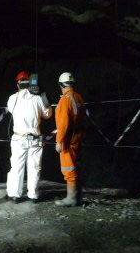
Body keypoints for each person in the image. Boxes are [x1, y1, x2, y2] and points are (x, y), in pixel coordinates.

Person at [6, 71, 53, 203]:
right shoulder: (38, 99)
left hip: (18, 138)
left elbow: (10, 109)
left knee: (16, 167)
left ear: (18, 84)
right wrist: (43, 95)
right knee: (34, 167)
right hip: (35, 139)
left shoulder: (12, 99)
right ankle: (33, 195)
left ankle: (15, 194)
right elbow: (48, 114)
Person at [54, 72, 85, 207]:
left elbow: (63, 124)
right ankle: (77, 196)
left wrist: (59, 141)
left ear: (61, 85)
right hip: (77, 136)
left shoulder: (65, 100)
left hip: (68, 139)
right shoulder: (78, 97)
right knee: (75, 165)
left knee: (69, 168)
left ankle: (71, 198)